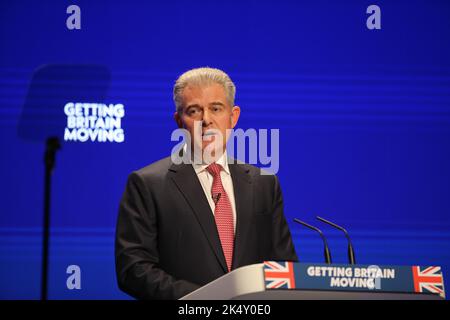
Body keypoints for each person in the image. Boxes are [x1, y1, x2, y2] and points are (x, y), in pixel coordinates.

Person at [115, 67, 297, 300]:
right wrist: (205, 300)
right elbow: (133, 269)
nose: (206, 120)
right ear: (179, 121)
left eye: (216, 108)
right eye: (194, 111)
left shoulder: (264, 183)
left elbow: (283, 267)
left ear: (233, 117)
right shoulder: (147, 185)